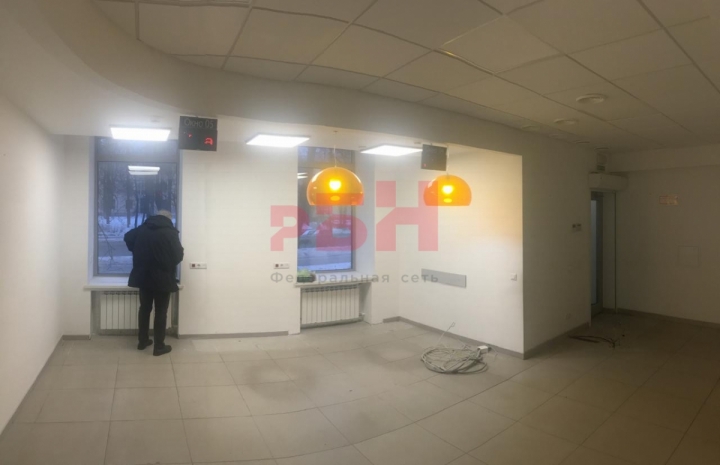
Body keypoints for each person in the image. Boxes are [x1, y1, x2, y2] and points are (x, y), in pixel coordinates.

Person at [124, 209, 183, 356]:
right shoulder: (170, 232)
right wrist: (167, 262)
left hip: (143, 277)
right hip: (163, 278)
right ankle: (159, 346)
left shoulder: (143, 228)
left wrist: (137, 251)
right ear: (169, 219)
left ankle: (142, 341)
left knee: (144, 309)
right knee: (161, 311)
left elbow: (128, 237)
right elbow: (178, 255)